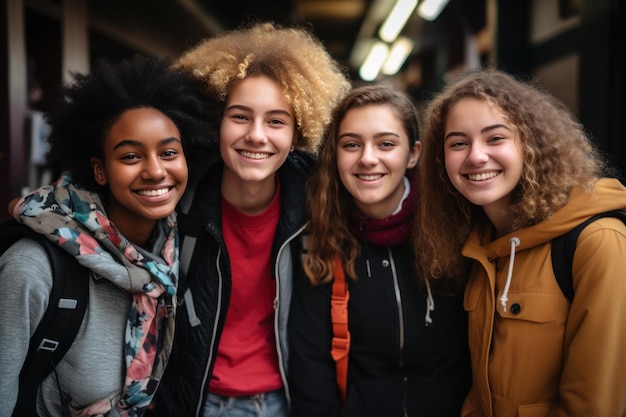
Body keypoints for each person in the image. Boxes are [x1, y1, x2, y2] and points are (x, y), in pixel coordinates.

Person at [146, 22, 351, 417]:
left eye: (276, 121)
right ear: (214, 122)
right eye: (240, 117)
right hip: (193, 402)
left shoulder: (321, 204)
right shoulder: (175, 206)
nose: (257, 136)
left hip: (283, 402)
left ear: (297, 132)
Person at [0, 54, 220, 417]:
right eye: (131, 157)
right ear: (100, 171)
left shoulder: (172, 252)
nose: (155, 171)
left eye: (168, 152)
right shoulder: (32, 269)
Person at [415, 68, 626, 417]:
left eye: (495, 138)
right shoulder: (479, 247)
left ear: (532, 144)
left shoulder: (597, 242)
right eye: (458, 143)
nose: (476, 156)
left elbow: (595, 407)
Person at [288, 85, 471, 417]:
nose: (367, 158)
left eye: (386, 144)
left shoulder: (456, 228)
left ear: (413, 154)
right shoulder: (322, 240)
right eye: (351, 145)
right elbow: (310, 368)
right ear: (335, 154)